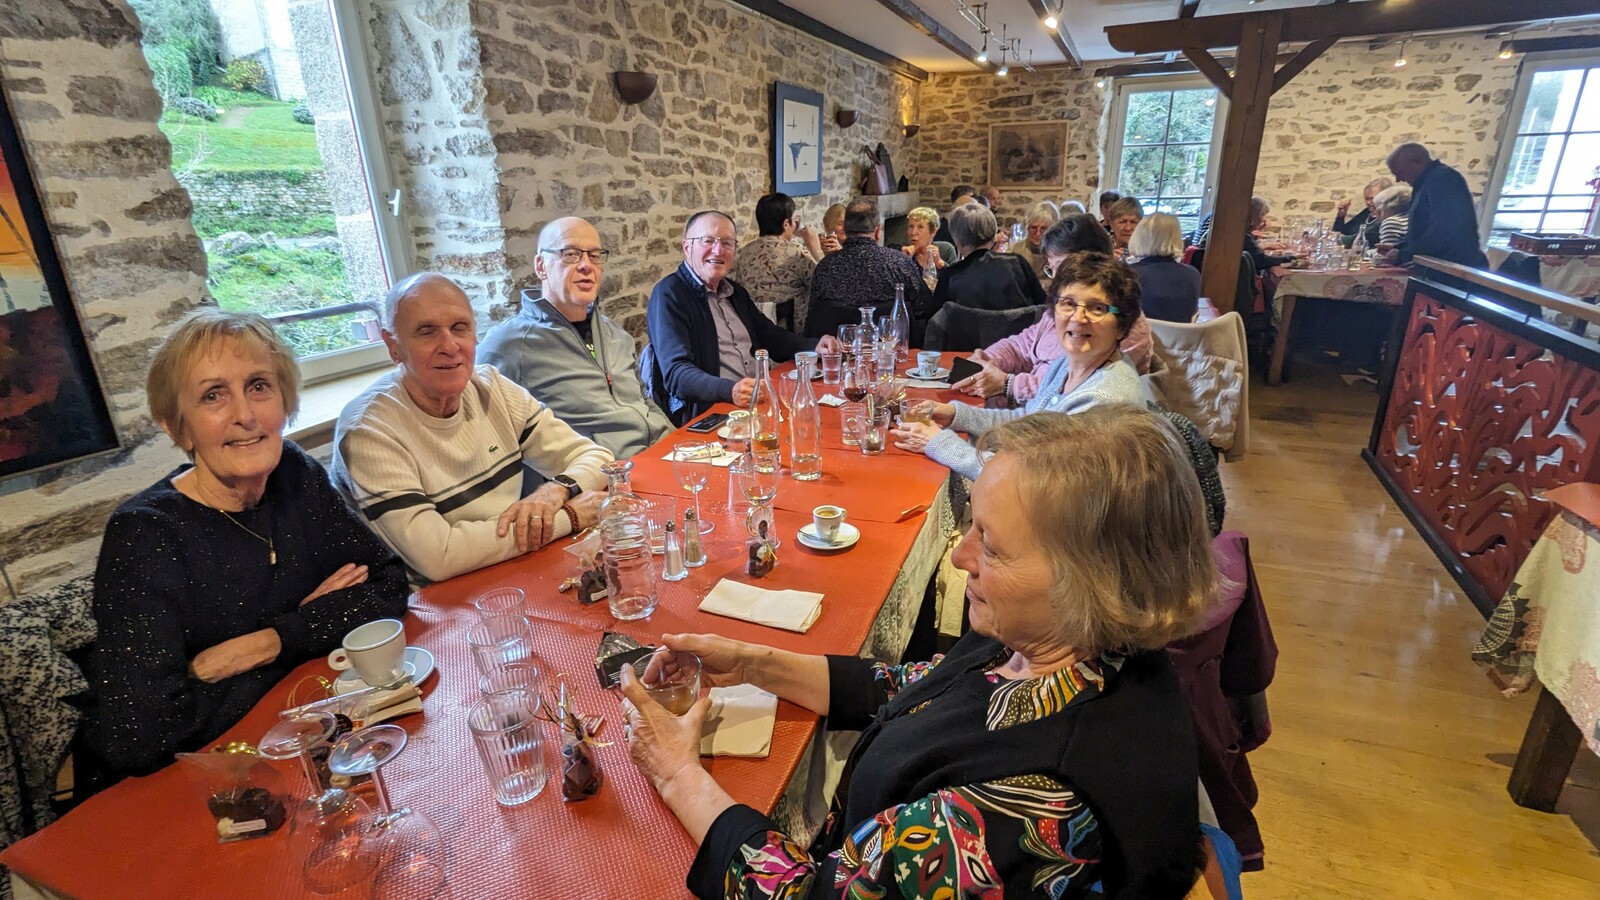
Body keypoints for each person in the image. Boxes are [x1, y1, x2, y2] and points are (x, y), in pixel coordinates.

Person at [621, 406, 1214, 899]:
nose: (960, 556)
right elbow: (923, 686)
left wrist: (677, 774)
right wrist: (752, 663)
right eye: (973, 526)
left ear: (1094, 583)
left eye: (993, 547)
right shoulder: (1062, 642)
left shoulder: (1035, 803)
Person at [80, 310, 410, 785]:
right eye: (213, 395)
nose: (245, 415)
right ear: (176, 426)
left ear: (285, 400)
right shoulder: (145, 534)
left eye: (258, 386)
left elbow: (387, 587)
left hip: (303, 738)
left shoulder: (292, 473)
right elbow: (141, 733)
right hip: (199, 785)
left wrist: (269, 642)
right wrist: (311, 629)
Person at [332, 273, 612, 585]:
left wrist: (556, 490)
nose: (449, 346)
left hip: (508, 569)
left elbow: (599, 458)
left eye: (459, 328)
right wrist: (566, 517)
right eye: (427, 332)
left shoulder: (492, 387)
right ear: (393, 347)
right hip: (431, 601)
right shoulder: (369, 430)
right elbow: (438, 557)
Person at [897, 253, 1151, 481]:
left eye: (1097, 309)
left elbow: (1031, 480)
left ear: (1122, 325)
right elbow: (1029, 423)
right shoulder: (1068, 364)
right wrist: (955, 414)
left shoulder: (1104, 400)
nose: (1078, 317)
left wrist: (939, 443)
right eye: (1068, 303)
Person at [478, 217, 671, 459]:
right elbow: (487, 436)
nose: (586, 265)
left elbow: (642, 398)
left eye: (595, 255)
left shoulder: (614, 334)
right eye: (570, 254)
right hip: (606, 472)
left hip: (664, 454)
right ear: (541, 266)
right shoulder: (509, 346)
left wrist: (676, 440)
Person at [647, 210, 830, 424]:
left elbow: (770, 336)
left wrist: (814, 346)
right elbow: (676, 374)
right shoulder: (670, 295)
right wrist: (730, 390)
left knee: (817, 421)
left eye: (727, 243)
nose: (718, 250)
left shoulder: (734, 292)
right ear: (687, 247)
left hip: (756, 401)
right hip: (713, 412)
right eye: (708, 241)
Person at [952, 215, 1152, 403]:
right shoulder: (1064, 306)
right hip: (1028, 410)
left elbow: (1072, 391)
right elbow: (1022, 344)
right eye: (1052, 268)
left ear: (1098, 265)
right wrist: (986, 361)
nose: (1056, 278)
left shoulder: (1121, 323)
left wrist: (1008, 384)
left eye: (1062, 267)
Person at [806, 198, 932, 338]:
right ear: (878, 231)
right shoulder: (899, 264)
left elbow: (813, 318)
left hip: (839, 346)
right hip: (892, 346)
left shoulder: (825, 267)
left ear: (845, 230)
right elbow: (925, 308)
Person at [1377, 143, 1488, 268]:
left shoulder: (1443, 179)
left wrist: (1403, 253)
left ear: (1416, 162)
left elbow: (1442, 232)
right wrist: (1398, 247)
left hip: (1454, 268)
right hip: (1440, 265)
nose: (1398, 179)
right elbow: (1422, 230)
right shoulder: (1426, 182)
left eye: (1399, 172)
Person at [929, 203, 1049, 317]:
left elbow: (935, 322)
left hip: (967, 333)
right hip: (1020, 332)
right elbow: (1043, 307)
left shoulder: (950, 277)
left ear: (957, 240)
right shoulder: (1017, 263)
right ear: (992, 235)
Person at [729, 193, 825, 332]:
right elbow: (825, 281)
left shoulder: (743, 253)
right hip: (791, 333)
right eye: (795, 221)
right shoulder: (796, 253)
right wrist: (815, 249)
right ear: (786, 224)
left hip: (751, 328)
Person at [1127, 213, 1201, 323]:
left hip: (1140, 333)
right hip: (1181, 334)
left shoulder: (1128, 274)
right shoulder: (1193, 274)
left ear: (1139, 237)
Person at [1008, 201, 1060, 285]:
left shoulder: (1059, 253)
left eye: (1043, 229)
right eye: (1033, 228)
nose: (1037, 234)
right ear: (1026, 227)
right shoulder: (1015, 250)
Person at [1332, 177, 1393, 248]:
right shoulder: (1366, 213)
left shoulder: (1386, 218)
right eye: (1367, 199)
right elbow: (1343, 232)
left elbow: (1356, 240)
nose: (1368, 202)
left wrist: (1332, 238)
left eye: (1372, 198)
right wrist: (1340, 216)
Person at [901, 205, 952, 290]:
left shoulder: (946, 249)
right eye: (911, 227)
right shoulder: (901, 252)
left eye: (920, 227)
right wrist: (903, 260)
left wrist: (940, 264)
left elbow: (956, 282)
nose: (913, 232)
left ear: (933, 232)